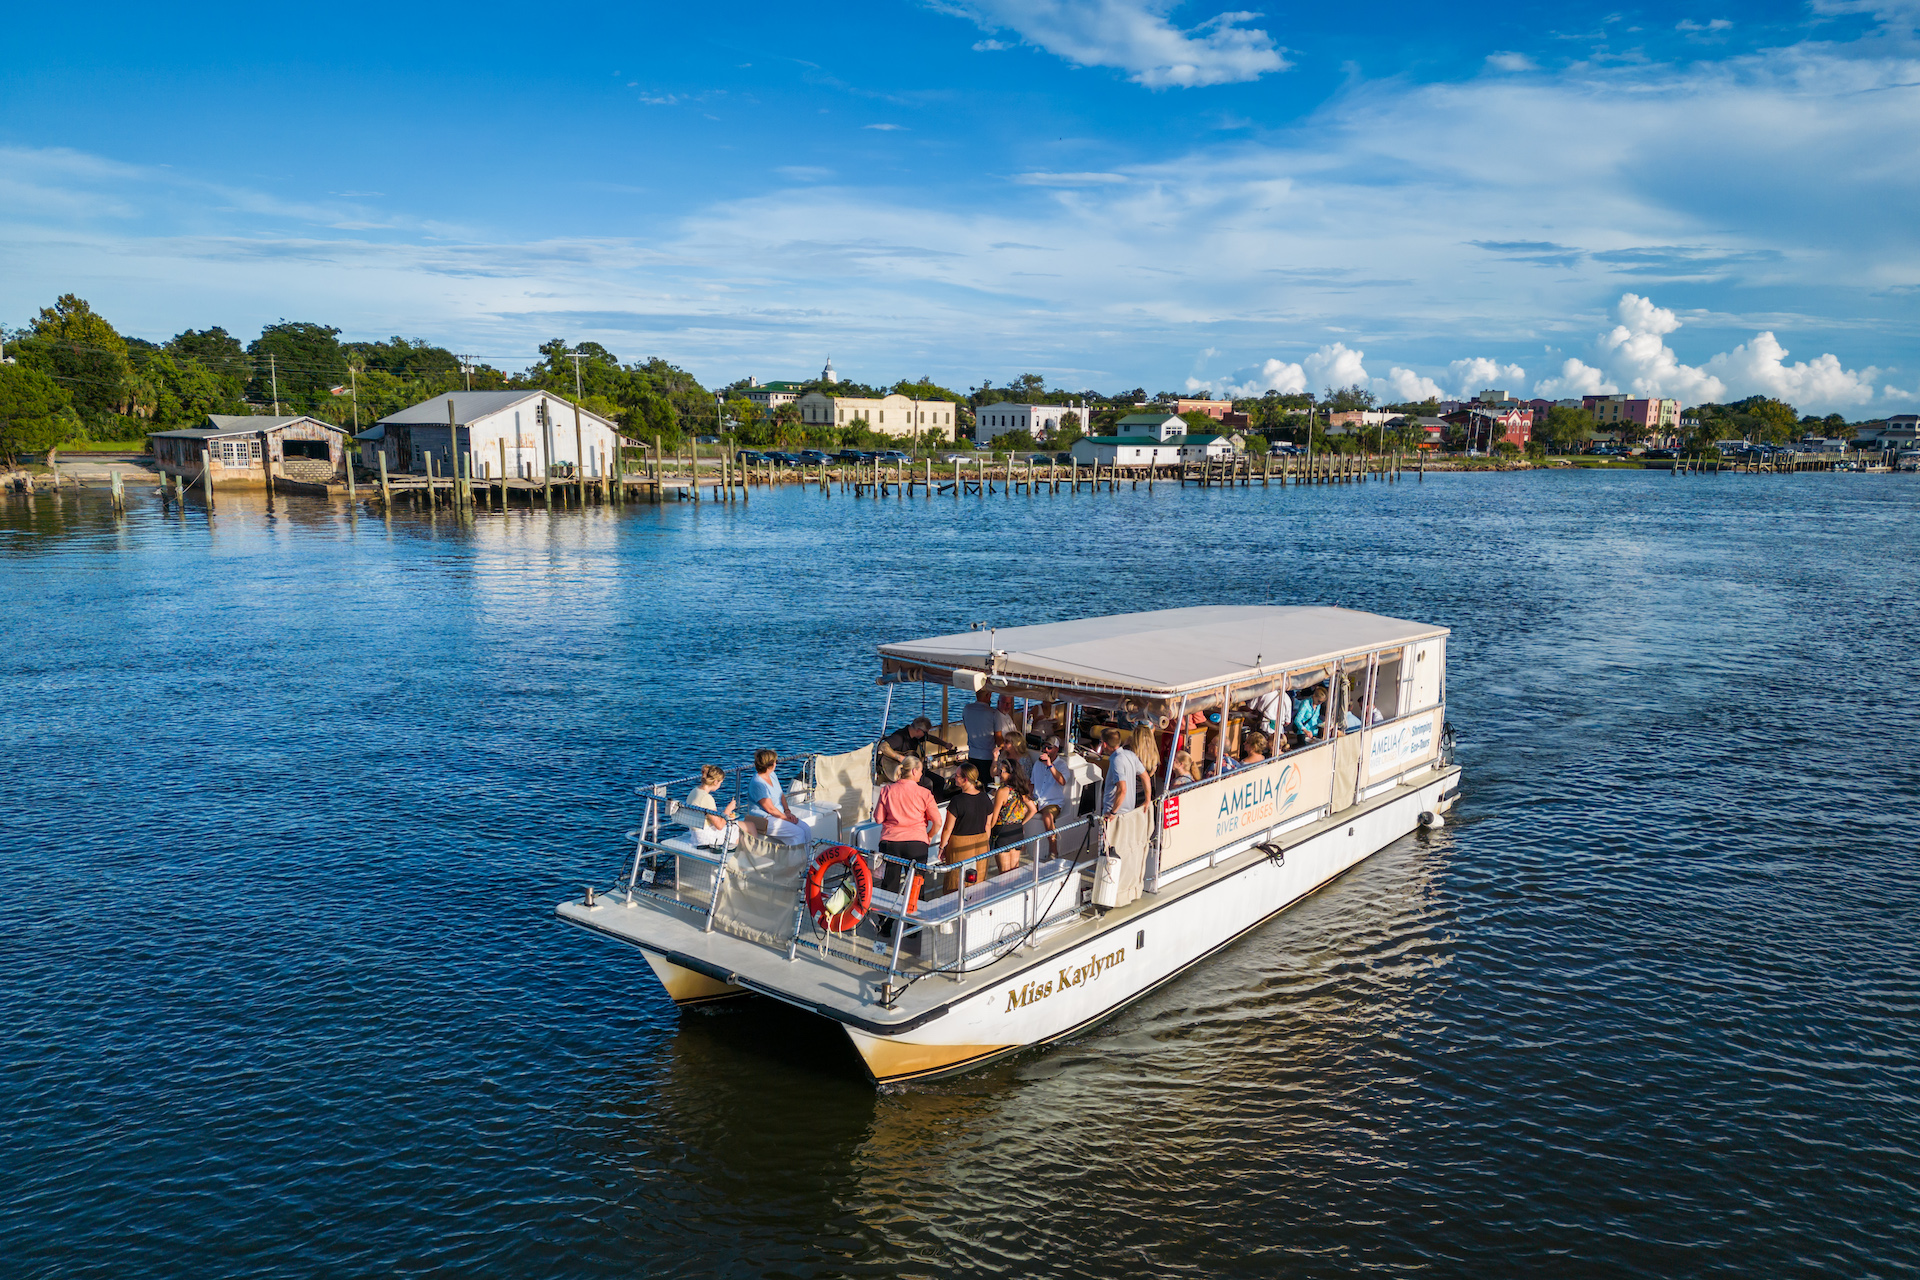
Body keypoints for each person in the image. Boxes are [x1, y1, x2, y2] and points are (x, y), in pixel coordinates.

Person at [872, 757, 941, 935]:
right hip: (917, 843)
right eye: (920, 770)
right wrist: (929, 836)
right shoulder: (924, 793)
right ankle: (913, 928)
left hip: (891, 842)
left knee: (890, 883)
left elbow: (878, 818)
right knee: (916, 884)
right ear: (913, 771)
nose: (921, 774)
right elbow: (937, 821)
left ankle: (885, 926)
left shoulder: (887, 790)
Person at [938, 763, 995, 894]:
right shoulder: (985, 798)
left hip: (960, 843)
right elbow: (988, 824)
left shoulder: (957, 801)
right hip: (981, 842)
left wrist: (942, 847)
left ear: (965, 780)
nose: (954, 778)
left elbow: (948, 828)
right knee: (978, 880)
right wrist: (985, 842)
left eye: (956, 776)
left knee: (955, 880)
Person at [746, 748, 810, 844]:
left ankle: (807, 857)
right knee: (798, 833)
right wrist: (786, 818)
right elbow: (770, 809)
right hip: (765, 818)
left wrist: (787, 811)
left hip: (778, 814)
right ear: (771, 764)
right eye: (775, 761)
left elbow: (781, 795)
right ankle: (796, 858)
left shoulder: (772, 775)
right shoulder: (758, 783)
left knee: (806, 828)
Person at [988, 757, 1037, 874]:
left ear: (1011, 773)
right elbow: (1033, 809)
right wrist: (1021, 823)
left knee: (1004, 873)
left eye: (1002, 771)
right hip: (1017, 831)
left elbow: (994, 817)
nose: (999, 774)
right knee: (1014, 871)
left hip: (1002, 833)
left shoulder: (1002, 791)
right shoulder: (1020, 789)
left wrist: (987, 834)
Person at [960, 688, 1013, 786]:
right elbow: (998, 738)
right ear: (988, 695)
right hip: (988, 758)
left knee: (973, 785)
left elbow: (967, 728)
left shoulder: (967, 709)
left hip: (972, 755)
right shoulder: (994, 713)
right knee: (988, 786)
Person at [878, 715, 954, 782]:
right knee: (928, 783)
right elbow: (883, 746)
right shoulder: (900, 736)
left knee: (939, 781)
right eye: (925, 733)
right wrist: (901, 758)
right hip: (900, 772)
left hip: (913, 769)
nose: (925, 735)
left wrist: (945, 744)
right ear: (918, 730)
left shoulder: (916, 737)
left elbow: (931, 738)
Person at [1030, 741, 1073, 858]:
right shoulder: (1038, 764)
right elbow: (1032, 783)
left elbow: (1062, 781)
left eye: (1049, 747)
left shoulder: (1062, 765)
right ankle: (1021, 845)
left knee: (1047, 816)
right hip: (1036, 800)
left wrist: (1050, 765)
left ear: (1056, 749)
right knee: (1018, 810)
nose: (1046, 750)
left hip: (1052, 802)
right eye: (1044, 747)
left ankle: (1053, 849)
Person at [682, 764, 739, 849]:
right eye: (720, 783)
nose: (720, 785)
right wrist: (728, 810)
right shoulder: (707, 798)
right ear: (715, 782)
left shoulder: (694, 791)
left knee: (736, 826)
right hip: (704, 837)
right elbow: (719, 826)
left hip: (695, 833)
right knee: (739, 829)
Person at [1100, 727, 1149, 819]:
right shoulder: (1130, 754)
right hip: (1129, 812)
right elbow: (1145, 777)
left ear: (1104, 744)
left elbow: (1122, 789)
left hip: (1115, 815)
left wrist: (1113, 813)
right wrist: (1147, 800)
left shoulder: (1116, 760)